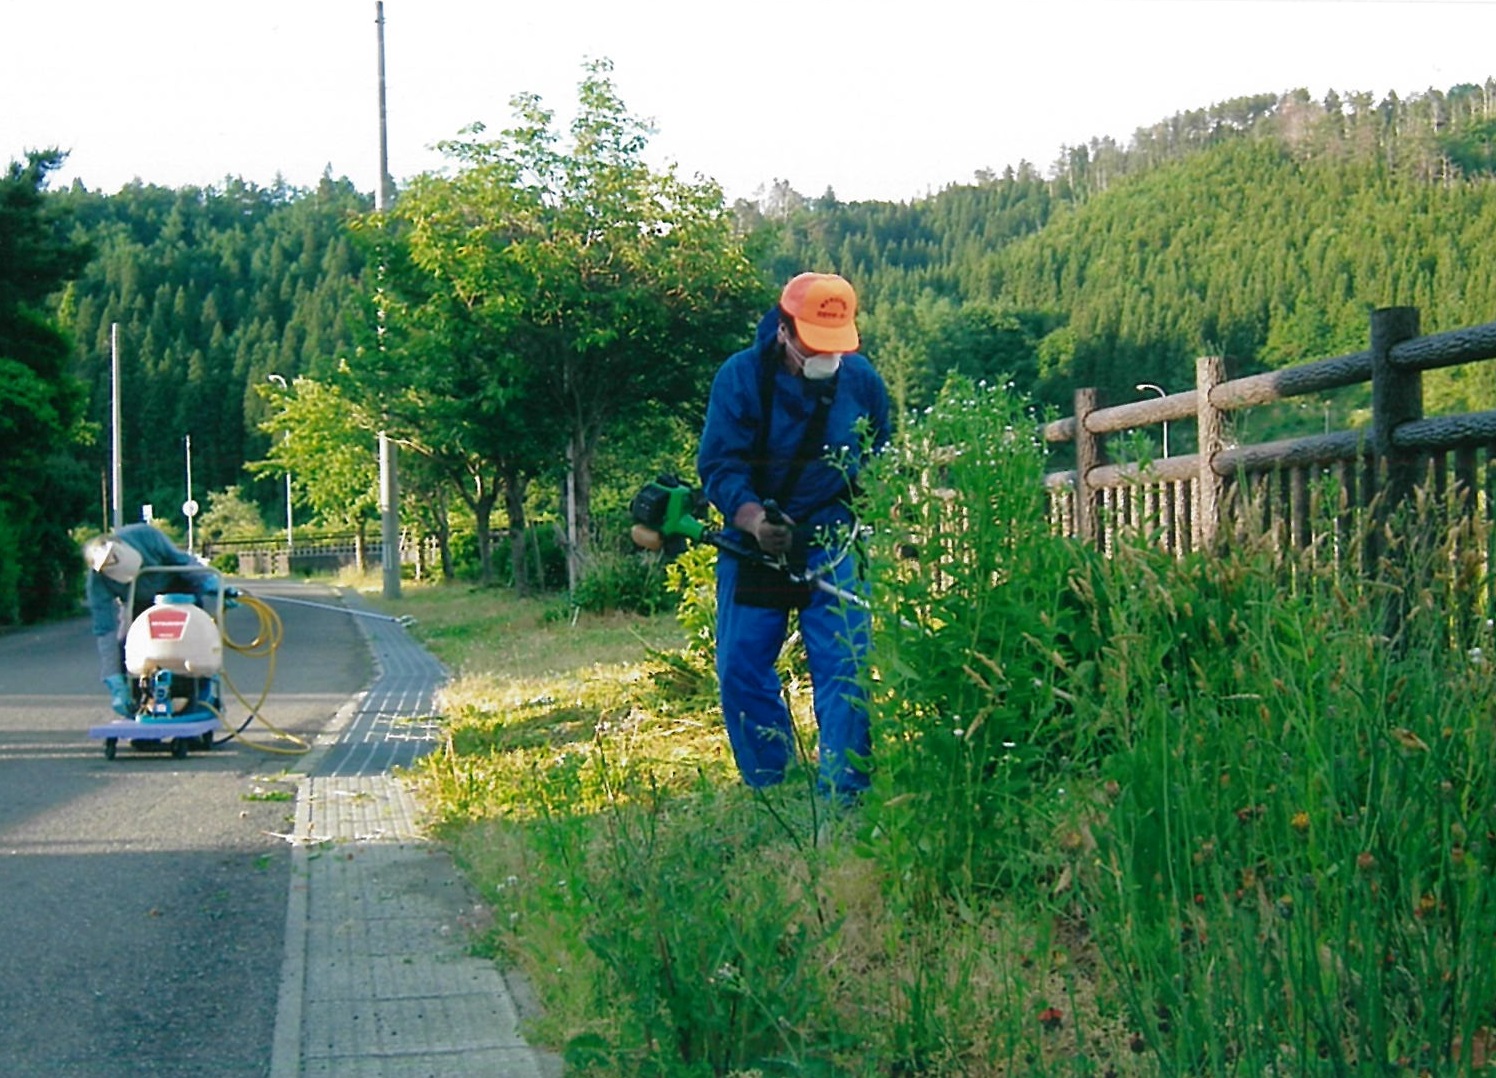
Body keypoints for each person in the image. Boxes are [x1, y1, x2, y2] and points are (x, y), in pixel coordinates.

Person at [697, 272, 890, 802]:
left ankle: (846, 794)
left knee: (845, 667)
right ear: (783, 330)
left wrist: (877, 512)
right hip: (758, 539)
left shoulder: (861, 381)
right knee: (741, 666)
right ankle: (772, 784)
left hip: (833, 541)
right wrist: (757, 521)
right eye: (813, 344)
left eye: (836, 344)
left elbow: (880, 456)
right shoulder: (740, 379)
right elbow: (719, 466)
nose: (825, 357)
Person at [83, 523, 213, 715]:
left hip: (179, 590)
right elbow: (105, 629)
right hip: (138, 602)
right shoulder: (97, 581)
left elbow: (181, 562)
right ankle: (140, 700)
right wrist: (114, 676)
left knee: (193, 644)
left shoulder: (146, 535)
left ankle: (198, 698)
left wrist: (207, 581)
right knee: (129, 647)